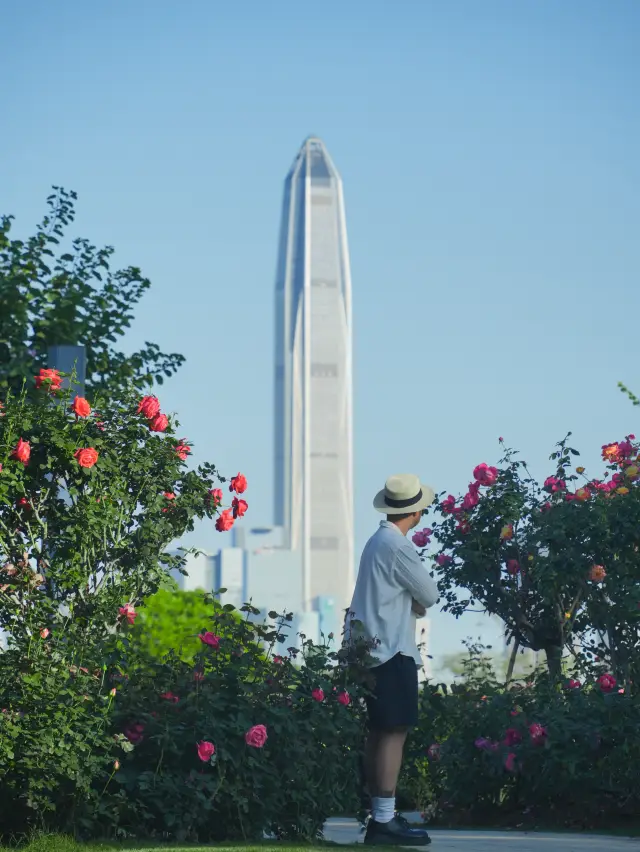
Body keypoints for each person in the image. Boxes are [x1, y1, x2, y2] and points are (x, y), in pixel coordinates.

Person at [347, 473, 439, 846]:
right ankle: (383, 821)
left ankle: (379, 816)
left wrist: (410, 600)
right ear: (414, 513)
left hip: (370, 648)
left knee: (379, 731)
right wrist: (415, 601)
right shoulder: (398, 547)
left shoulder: (376, 542)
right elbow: (429, 594)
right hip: (392, 650)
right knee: (393, 732)